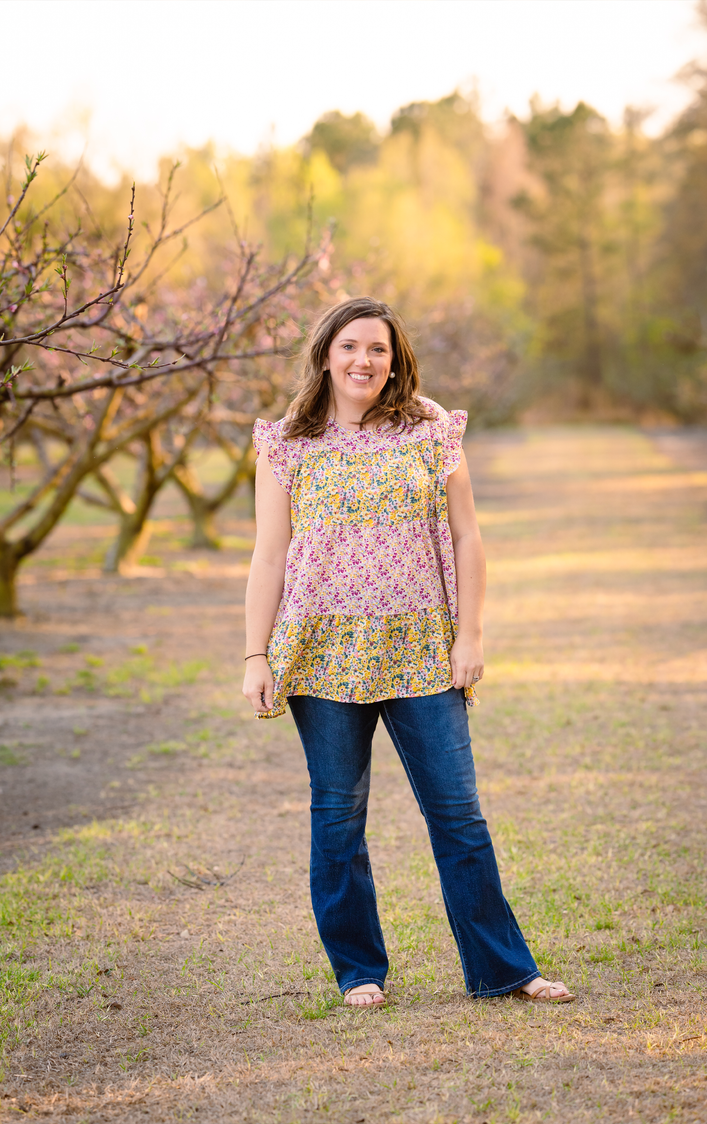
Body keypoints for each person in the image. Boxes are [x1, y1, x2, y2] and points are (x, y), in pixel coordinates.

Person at [243, 297, 574, 1008]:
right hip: (323, 651)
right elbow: (269, 556)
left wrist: (470, 634)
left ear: (396, 360)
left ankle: (505, 970)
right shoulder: (287, 442)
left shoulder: (428, 427)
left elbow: (466, 537)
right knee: (338, 816)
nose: (364, 361)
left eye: (379, 350)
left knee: (458, 813)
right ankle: (359, 972)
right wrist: (255, 656)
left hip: (424, 647)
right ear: (326, 353)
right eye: (351, 347)